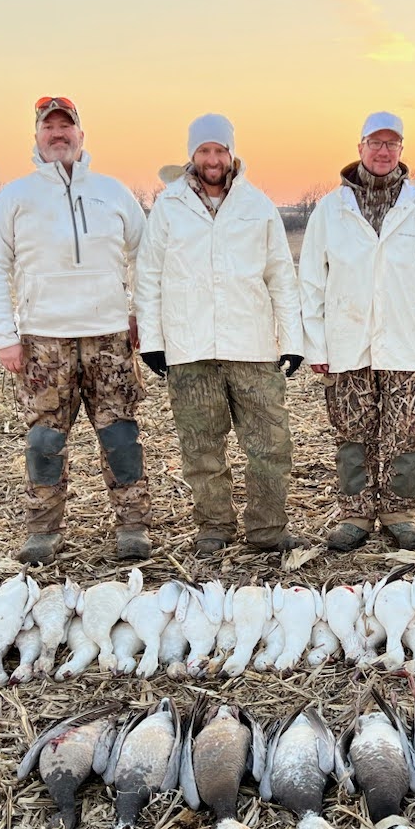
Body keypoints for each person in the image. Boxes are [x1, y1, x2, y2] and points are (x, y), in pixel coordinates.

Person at [0, 95, 151, 565]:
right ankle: (44, 530)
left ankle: (132, 526)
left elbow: (147, 255)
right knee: (45, 440)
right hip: (43, 342)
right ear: (36, 137)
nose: (58, 134)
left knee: (120, 436)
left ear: (81, 134)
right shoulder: (16, 197)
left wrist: (140, 313)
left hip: (110, 338)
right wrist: (5, 337)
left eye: (65, 127)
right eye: (49, 128)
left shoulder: (113, 193)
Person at [134, 113, 305, 556]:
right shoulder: (169, 206)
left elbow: (280, 277)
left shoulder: (258, 206)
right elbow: (149, 275)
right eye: (204, 150)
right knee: (201, 447)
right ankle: (214, 527)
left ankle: (268, 528)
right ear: (192, 154)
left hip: (251, 347)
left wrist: (292, 342)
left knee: (270, 444)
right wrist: (153, 341)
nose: (213, 159)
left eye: (220, 150)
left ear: (231, 154)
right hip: (190, 349)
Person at [299, 111, 415, 552]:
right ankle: (355, 514)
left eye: (393, 143)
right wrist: (315, 342)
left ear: (401, 150)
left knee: (408, 429)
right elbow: (311, 279)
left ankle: (399, 512)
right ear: (360, 147)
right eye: (376, 142)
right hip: (347, 340)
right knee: (352, 431)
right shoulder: (331, 209)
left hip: (406, 340)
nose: (384, 151)